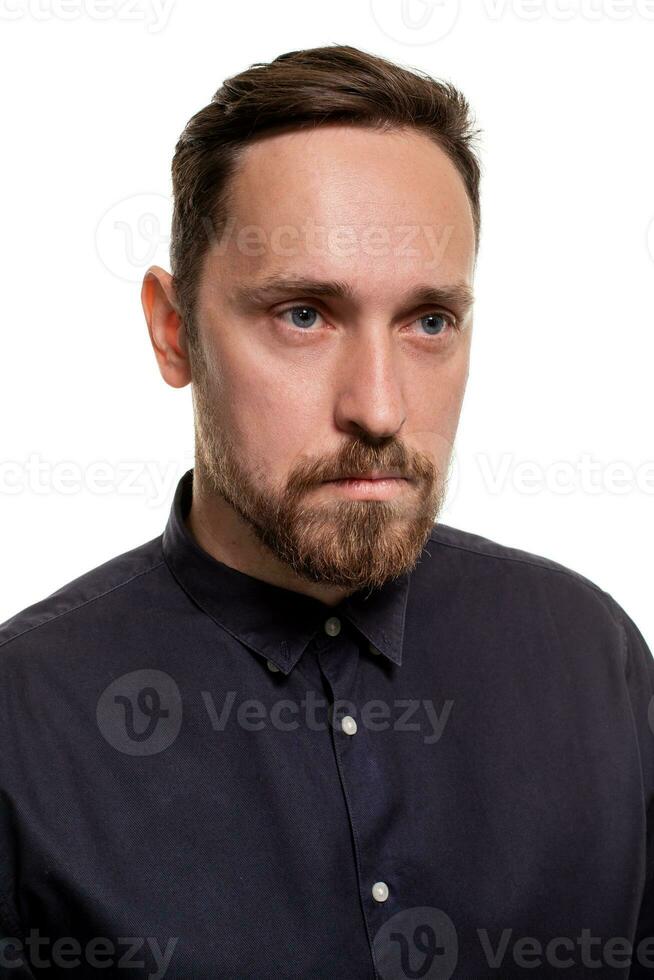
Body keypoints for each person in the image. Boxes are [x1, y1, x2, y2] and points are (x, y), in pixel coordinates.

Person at [1, 43, 652, 979]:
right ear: (173, 329)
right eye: (304, 314)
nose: (380, 409)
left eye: (429, 321)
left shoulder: (596, 659)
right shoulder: (24, 729)